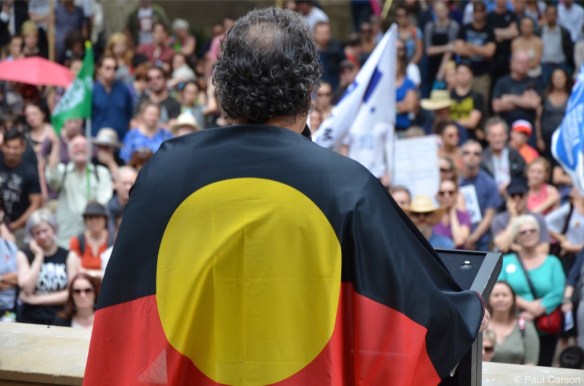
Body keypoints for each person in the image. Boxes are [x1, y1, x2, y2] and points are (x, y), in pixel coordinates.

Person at [84, 8, 489, 385]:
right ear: (309, 89)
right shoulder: (346, 186)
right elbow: (415, 312)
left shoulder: (163, 172)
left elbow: (125, 308)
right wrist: (467, 312)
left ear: (222, 88)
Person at [498, 214, 565, 366]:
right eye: (523, 232)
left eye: (532, 230)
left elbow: (557, 292)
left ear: (539, 234)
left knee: (542, 368)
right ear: (516, 237)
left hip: (544, 325)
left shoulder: (552, 262)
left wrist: (537, 310)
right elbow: (500, 287)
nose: (528, 234)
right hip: (513, 323)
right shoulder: (506, 261)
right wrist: (528, 306)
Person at [45, 135, 113, 248]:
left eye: (84, 146)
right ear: (69, 152)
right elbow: (52, 178)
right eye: (76, 146)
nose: (80, 149)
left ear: (90, 152)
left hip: (93, 241)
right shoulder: (62, 171)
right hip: (66, 239)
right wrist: (56, 146)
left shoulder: (101, 173)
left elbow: (103, 200)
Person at [16, 208, 77, 325]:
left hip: (60, 317)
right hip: (31, 317)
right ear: (31, 236)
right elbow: (27, 287)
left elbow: (70, 293)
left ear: (54, 229)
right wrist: (39, 256)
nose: (42, 236)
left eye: (45, 231)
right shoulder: (23, 254)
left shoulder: (68, 256)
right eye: (37, 233)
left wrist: (35, 300)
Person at [0, 129, 42, 246]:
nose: (12, 151)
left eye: (16, 147)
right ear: (2, 146)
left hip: (19, 228)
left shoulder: (30, 171)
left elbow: (36, 203)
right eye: (8, 147)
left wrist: (15, 225)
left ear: (23, 148)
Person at [459, 139, 502, 251]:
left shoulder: (489, 183)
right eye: (467, 153)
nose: (471, 156)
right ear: (461, 157)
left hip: (482, 241)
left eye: (476, 153)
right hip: (458, 239)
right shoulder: (455, 182)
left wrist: (473, 238)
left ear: (481, 158)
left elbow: (489, 216)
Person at [491, 178, 551, 255]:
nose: (517, 199)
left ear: (527, 195)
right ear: (507, 197)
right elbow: (503, 247)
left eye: (521, 195)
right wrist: (513, 217)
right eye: (513, 195)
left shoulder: (538, 219)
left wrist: (515, 247)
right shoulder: (498, 220)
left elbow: (544, 250)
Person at [488, 281, 540, 365]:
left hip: (517, 377)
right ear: (489, 299)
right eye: (496, 295)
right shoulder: (481, 326)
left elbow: (531, 363)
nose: (501, 299)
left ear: (513, 300)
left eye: (505, 295)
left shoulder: (525, 326)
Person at [455, 0, 496, 104]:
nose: (478, 14)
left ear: (485, 12)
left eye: (481, 11)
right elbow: (459, 49)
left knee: (481, 103)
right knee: (462, 103)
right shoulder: (465, 28)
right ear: (472, 13)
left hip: (482, 75)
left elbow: (490, 53)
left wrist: (469, 46)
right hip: (464, 74)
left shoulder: (489, 30)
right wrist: (481, 50)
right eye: (476, 11)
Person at [480, 117, 527, 196]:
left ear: (506, 136)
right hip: (491, 198)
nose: (498, 139)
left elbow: (523, 177)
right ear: (487, 137)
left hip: (514, 195)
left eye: (501, 135)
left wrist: (510, 185)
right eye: (494, 136)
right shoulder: (482, 158)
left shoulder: (515, 155)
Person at [91, 55, 134, 139]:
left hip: (120, 139)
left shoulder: (123, 90)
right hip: (97, 140)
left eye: (114, 69)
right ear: (99, 70)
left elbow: (129, 113)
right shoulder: (92, 91)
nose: (111, 71)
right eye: (108, 68)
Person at [69, 202, 113, 278]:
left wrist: (86, 272)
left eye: (98, 217)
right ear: (85, 221)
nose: (94, 221)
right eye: (90, 217)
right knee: (72, 256)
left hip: (108, 285)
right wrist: (101, 274)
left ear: (105, 220)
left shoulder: (114, 240)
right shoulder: (77, 241)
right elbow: (74, 273)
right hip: (84, 286)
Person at [434, 178, 471, 249]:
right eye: (442, 193)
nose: (446, 196)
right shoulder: (433, 216)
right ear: (438, 195)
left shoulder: (464, 216)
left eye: (450, 192)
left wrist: (452, 213)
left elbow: (459, 241)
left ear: (456, 194)